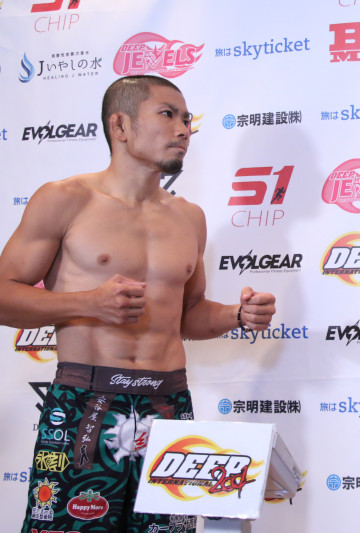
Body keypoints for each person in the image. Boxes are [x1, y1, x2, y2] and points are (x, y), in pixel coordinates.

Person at [0, 75, 277, 532]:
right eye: (167, 114)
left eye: (186, 119)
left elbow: (189, 314)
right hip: (86, 402)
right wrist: (90, 303)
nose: (183, 129)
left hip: (169, 405)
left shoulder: (189, 217)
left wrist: (236, 315)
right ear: (121, 126)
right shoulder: (65, 199)